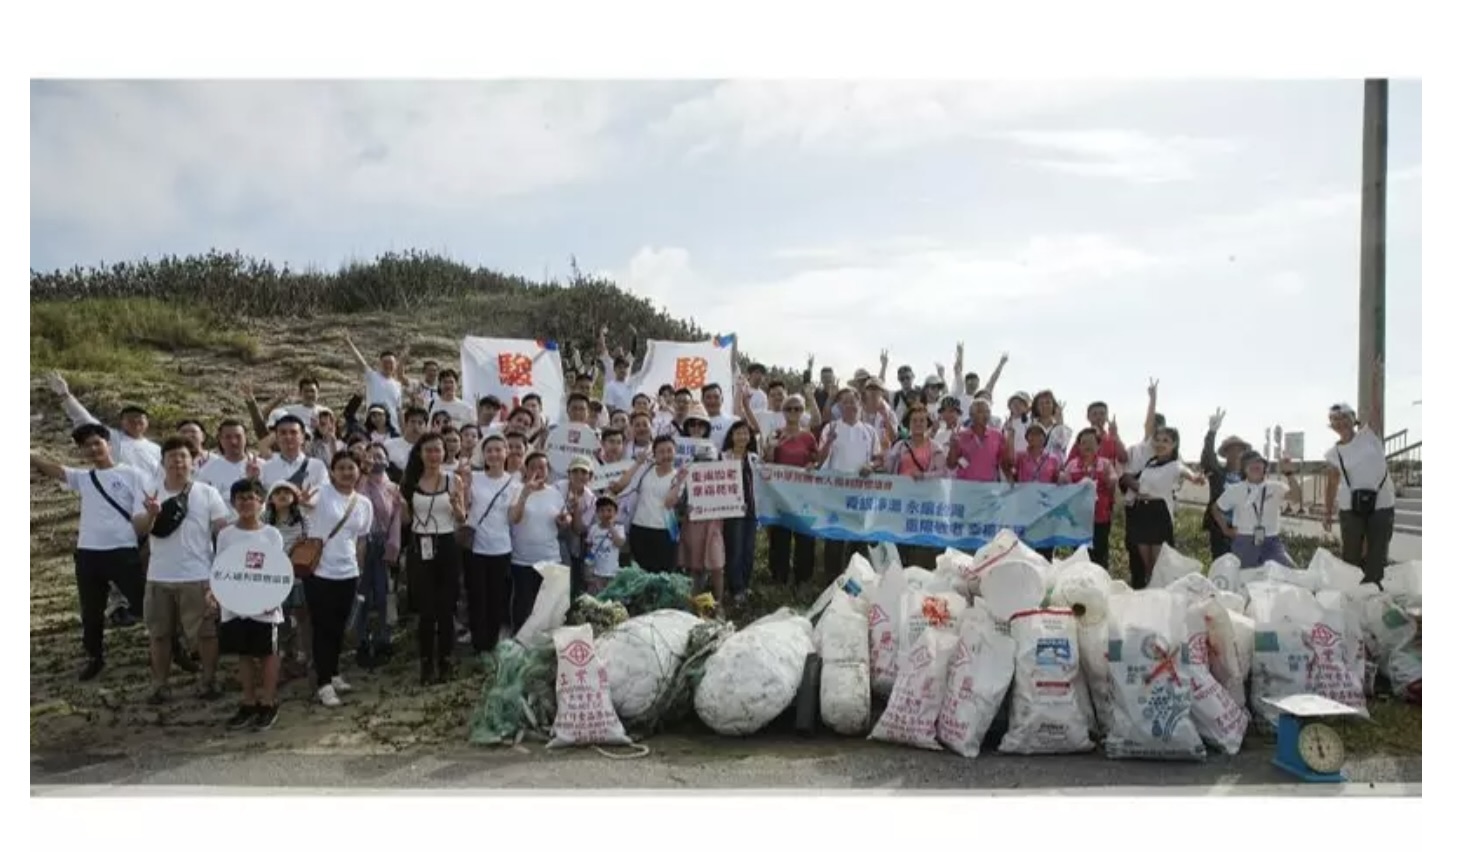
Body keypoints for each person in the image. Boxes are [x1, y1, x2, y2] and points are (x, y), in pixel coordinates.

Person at [31, 424, 151, 681]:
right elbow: (57, 471)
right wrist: (29, 455)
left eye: (98, 443)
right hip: (88, 553)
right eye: (87, 446)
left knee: (145, 603)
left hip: (123, 550)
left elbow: (143, 513)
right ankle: (94, 656)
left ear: (108, 444)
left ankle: (171, 647)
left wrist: (145, 527)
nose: (94, 449)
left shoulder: (133, 474)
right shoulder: (85, 478)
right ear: (82, 451)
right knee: (91, 610)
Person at [132, 437, 230, 703]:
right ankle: (160, 685)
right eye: (172, 457)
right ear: (162, 462)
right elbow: (139, 529)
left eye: (183, 456)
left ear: (194, 461)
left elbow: (223, 530)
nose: (178, 462)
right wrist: (152, 514)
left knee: (205, 634)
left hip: (198, 576)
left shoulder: (207, 493)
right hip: (158, 576)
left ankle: (209, 681)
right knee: (160, 634)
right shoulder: (150, 492)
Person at [215, 478, 286, 732]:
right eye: (241, 498)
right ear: (233, 503)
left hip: (266, 606)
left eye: (251, 498)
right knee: (243, 654)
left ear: (262, 503)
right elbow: (221, 568)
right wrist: (218, 595)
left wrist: (272, 598)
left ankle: (268, 701)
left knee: (268, 653)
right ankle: (248, 701)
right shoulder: (225, 534)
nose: (246, 503)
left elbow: (278, 568)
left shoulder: (271, 534)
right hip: (235, 604)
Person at [306, 451, 374, 708]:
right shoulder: (320, 493)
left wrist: (359, 569)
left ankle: (333, 673)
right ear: (332, 471)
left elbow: (360, 540)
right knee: (322, 628)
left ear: (359, 471)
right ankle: (322, 683)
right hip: (320, 571)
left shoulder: (363, 503)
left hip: (348, 572)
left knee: (338, 627)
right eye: (341, 468)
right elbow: (301, 503)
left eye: (351, 468)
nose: (347, 472)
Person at [398, 434, 466, 684]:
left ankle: (446, 661)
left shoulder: (453, 480)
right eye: (429, 451)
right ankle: (426, 663)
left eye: (438, 450)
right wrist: (402, 507)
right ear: (420, 453)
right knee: (426, 611)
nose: (434, 455)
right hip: (420, 546)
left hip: (446, 545)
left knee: (446, 608)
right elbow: (406, 521)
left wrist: (458, 507)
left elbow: (461, 519)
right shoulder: (411, 480)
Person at [1323, 398, 1396, 584]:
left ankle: (1373, 594)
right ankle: (1351, 594)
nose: (1340, 422)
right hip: (1350, 508)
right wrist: (1328, 512)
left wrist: (1374, 378)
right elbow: (1331, 483)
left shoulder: (1369, 434)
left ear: (1353, 419)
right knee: (1351, 556)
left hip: (1382, 504)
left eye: (1344, 417)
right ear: (1331, 425)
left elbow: (1376, 407)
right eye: (1335, 420)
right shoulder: (1333, 454)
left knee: (1377, 555)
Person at [1125, 425, 1203, 589]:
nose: (1160, 444)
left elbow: (1186, 472)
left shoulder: (1175, 465)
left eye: (1165, 441)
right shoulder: (1149, 464)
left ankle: (1161, 598)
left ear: (1174, 444)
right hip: (1141, 513)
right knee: (1146, 566)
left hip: (1159, 514)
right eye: (1158, 440)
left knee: (1159, 565)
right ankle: (1150, 597)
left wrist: (1195, 478)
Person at [46, 371, 161, 479]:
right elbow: (84, 419)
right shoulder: (113, 437)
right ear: (122, 422)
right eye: (130, 418)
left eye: (139, 418)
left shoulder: (157, 449)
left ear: (147, 422)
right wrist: (65, 395)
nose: (135, 421)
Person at [461, 435, 517, 654]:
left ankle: (492, 643)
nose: (494, 454)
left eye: (498, 450)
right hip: (476, 547)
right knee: (476, 596)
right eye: (489, 450)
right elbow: (465, 507)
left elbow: (513, 518)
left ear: (506, 453)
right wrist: (464, 485)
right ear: (483, 455)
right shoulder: (473, 478)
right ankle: (478, 643)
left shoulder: (514, 483)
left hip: (501, 547)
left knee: (496, 598)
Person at [816, 388, 880, 578]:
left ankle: (856, 581)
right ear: (839, 406)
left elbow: (879, 459)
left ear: (860, 405)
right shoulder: (831, 428)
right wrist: (829, 442)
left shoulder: (869, 431)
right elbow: (820, 460)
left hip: (861, 496)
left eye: (854, 402)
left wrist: (871, 465)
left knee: (858, 542)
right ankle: (831, 583)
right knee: (834, 541)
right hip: (835, 494)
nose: (850, 405)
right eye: (845, 402)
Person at [762, 394, 819, 585]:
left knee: (804, 536)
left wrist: (813, 464)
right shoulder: (775, 434)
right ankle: (779, 577)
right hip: (780, 496)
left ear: (803, 412)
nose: (793, 412)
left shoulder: (808, 436)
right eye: (789, 409)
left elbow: (816, 460)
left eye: (798, 409)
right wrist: (771, 448)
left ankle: (802, 579)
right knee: (780, 536)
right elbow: (767, 464)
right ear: (783, 412)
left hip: (804, 496)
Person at [507, 451, 568, 630]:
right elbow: (514, 518)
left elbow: (563, 520)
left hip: (550, 557)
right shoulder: (517, 490)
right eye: (533, 467)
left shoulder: (555, 493)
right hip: (523, 559)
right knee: (522, 604)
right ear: (526, 470)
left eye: (542, 467)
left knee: (547, 607)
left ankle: (543, 644)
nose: (538, 471)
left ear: (548, 470)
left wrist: (564, 521)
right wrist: (526, 493)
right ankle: (519, 642)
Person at [881, 405, 947, 568]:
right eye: (914, 421)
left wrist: (924, 476)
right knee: (901, 540)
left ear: (927, 423)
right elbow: (889, 469)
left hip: (925, 503)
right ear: (908, 424)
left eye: (922, 420)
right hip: (903, 502)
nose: (918, 424)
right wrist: (886, 451)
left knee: (921, 542)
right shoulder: (900, 446)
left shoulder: (935, 447)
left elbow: (943, 472)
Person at [353, 443, 401, 669]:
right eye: (372, 457)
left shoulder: (393, 487)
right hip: (362, 544)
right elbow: (358, 506)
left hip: (384, 544)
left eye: (380, 456)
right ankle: (361, 641)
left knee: (384, 595)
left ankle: (384, 639)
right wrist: (362, 472)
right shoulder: (358, 484)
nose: (376, 460)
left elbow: (397, 518)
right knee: (362, 596)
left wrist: (394, 544)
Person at [1214, 452, 1296, 568]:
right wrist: (1226, 530)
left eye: (1258, 462)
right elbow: (1216, 508)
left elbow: (1296, 498)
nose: (1255, 465)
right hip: (1244, 540)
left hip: (1271, 541)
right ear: (1244, 469)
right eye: (1250, 463)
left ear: (1264, 467)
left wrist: (1289, 474)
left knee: (1290, 571)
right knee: (1246, 579)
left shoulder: (1276, 487)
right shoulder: (1235, 490)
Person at [616, 436, 682, 575]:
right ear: (655, 454)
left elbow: (669, 503)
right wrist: (638, 463)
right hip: (640, 527)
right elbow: (621, 484)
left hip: (665, 532)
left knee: (663, 575)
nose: (666, 455)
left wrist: (679, 482)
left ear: (675, 452)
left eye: (669, 451)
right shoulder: (645, 470)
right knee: (641, 574)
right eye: (661, 452)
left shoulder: (679, 476)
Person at [1061, 427, 1119, 569]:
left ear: (1098, 446)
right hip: (1077, 520)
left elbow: (1113, 480)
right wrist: (1062, 480)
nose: (1088, 446)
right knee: (1079, 555)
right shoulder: (1072, 465)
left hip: (1100, 518)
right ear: (1078, 446)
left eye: (1092, 442)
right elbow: (1064, 487)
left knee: (1099, 555)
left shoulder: (1105, 463)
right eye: (1084, 442)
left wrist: (1109, 480)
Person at [1199, 408, 1250, 558]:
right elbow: (1208, 457)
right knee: (1221, 567)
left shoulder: (1248, 478)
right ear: (1225, 454)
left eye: (1239, 450)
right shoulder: (1218, 473)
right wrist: (1211, 432)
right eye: (1231, 450)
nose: (1236, 453)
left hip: (1242, 530)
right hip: (1220, 530)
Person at [720, 420, 759, 604]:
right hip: (732, 511)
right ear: (732, 436)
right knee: (734, 548)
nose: (742, 436)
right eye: (738, 433)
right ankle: (736, 588)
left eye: (746, 433)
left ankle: (745, 584)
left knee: (749, 549)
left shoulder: (755, 458)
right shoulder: (723, 457)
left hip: (751, 509)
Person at [344, 333, 404, 430]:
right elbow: (360, 362)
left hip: (393, 428)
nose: (388, 365)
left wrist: (403, 429)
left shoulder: (397, 385)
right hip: (373, 425)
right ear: (379, 363)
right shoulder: (373, 376)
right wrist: (349, 343)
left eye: (391, 363)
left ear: (395, 365)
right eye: (385, 362)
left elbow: (399, 410)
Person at [258, 416, 328, 499]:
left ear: (302, 437)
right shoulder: (266, 468)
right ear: (276, 438)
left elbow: (325, 496)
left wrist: (308, 501)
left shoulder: (317, 466)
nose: (288, 437)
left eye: (293, 432)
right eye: (283, 433)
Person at [196, 419, 255, 518]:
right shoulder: (207, 470)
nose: (233, 441)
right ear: (220, 439)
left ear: (245, 438)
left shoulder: (261, 465)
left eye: (238, 436)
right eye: (228, 437)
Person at [559, 456, 597, 598]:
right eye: (575, 471)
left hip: (573, 541)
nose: (579, 475)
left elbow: (579, 529)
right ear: (569, 474)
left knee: (571, 576)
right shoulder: (557, 487)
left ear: (590, 476)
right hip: (552, 536)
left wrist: (577, 510)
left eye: (584, 472)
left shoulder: (592, 499)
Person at [947, 399, 1006, 483]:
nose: (986, 415)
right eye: (981, 412)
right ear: (971, 415)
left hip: (989, 486)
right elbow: (951, 465)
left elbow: (1005, 463)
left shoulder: (997, 435)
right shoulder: (960, 435)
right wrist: (953, 446)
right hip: (964, 485)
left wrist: (1010, 438)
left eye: (988, 412)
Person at [585, 496, 628, 594]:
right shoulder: (593, 529)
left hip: (612, 573)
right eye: (602, 510)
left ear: (615, 513)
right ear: (597, 513)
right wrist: (588, 567)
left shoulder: (619, 528)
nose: (605, 514)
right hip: (596, 573)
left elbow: (619, 543)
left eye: (609, 510)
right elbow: (589, 547)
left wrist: (611, 528)